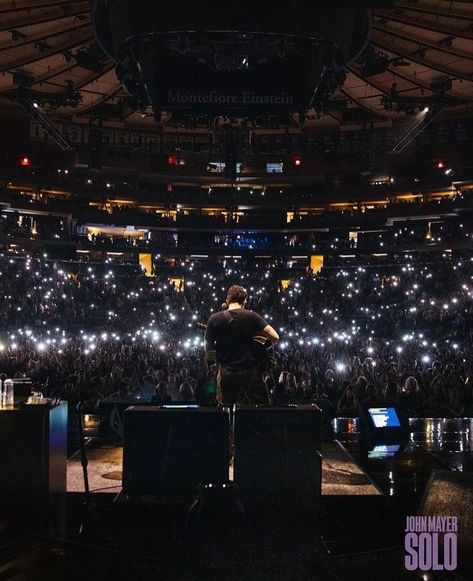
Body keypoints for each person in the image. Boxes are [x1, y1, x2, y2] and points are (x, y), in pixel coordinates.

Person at [205, 284, 279, 406]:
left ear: (227, 300)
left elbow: (209, 353)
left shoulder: (214, 319)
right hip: (251, 373)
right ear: (245, 301)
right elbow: (275, 337)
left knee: (225, 412)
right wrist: (258, 340)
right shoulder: (252, 316)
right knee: (261, 410)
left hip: (226, 373)